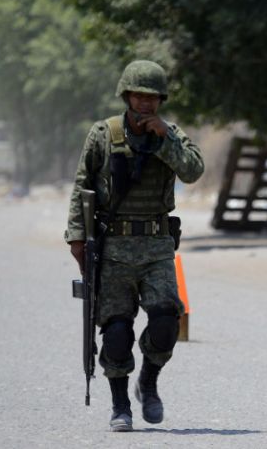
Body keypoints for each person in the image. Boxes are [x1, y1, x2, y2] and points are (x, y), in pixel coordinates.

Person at [64, 60, 204, 431]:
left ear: (161, 100)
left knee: (166, 323)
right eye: (139, 96)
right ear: (127, 96)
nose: (145, 103)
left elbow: (193, 170)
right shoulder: (103, 134)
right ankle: (120, 405)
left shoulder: (171, 134)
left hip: (157, 245)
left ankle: (149, 381)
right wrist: (77, 238)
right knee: (116, 332)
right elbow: (82, 186)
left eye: (152, 97)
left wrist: (165, 141)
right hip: (113, 248)